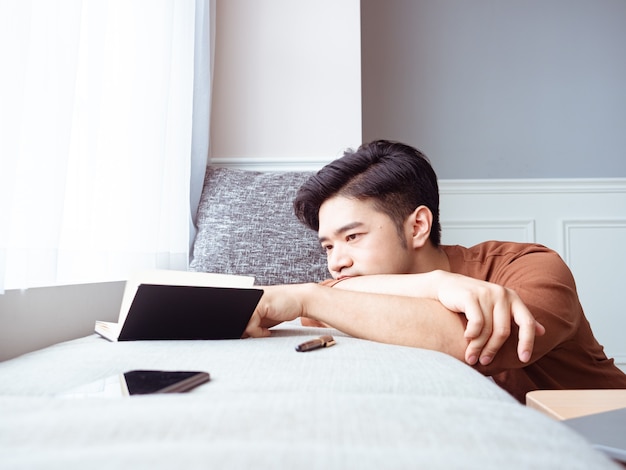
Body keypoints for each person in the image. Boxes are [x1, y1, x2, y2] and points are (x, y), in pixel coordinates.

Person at [244, 140, 626, 402]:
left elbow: (475, 345)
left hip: (601, 443)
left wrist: (311, 296)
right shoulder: (343, 291)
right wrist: (434, 284)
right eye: (328, 245)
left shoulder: (529, 267)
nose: (336, 261)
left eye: (353, 237)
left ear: (417, 226)